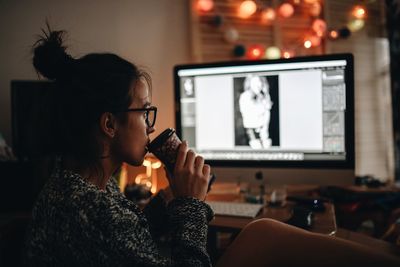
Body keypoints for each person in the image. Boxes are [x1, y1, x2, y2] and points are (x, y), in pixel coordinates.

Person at [25, 26, 400, 267]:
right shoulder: (84, 206)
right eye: (144, 112)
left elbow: (129, 242)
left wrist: (171, 198)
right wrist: (190, 206)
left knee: (262, 232)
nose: (150, 124)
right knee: (264, 236)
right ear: (109, 124)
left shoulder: (83, 183)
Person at [239, 74, 273, 149]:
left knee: (267, 146)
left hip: (264, 130)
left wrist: (265, 129)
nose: (258, 85)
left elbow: (267, 113)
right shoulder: (244, 97)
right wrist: (263, 108)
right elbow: (249, 118)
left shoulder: (264, 96)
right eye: (255, 82)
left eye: (260, 82)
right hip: (252, 130)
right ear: (250, 84)